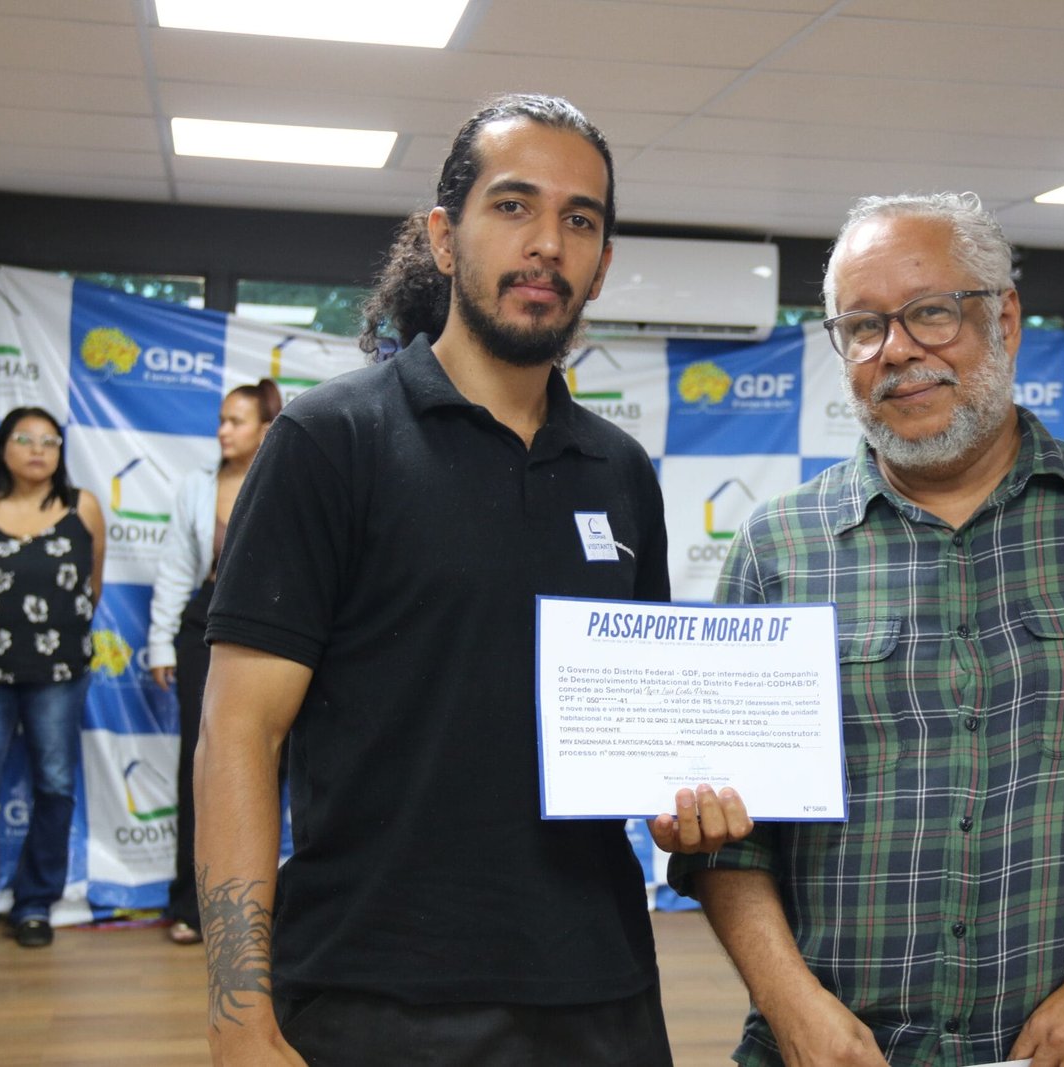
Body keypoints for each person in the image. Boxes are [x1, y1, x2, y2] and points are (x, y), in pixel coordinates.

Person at [192, 93, 750, 1067]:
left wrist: (684, 806)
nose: (548, 243)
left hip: (600, 992)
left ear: (602, 264)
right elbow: (238, 731)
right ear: (444, 239)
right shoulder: (329, 440)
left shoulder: (620, 470)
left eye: (581, 220)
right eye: (513, 206)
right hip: (372, 994)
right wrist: (238, 1019)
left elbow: (640, 738)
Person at [668, 192, 1064, 1067]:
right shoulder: (778, 547)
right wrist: (790, 1003)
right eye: (863, 326)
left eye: (931, 312)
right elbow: (734, 832)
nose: (897, 348)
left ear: (1005, 320)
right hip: (832, 1050)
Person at [0, 407, 104, 950]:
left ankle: (35, 904)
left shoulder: (82, 507)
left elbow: (92, 587)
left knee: (54, 787)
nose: (38, 449)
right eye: (25, 438)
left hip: (59, 672)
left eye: (50, 441)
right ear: (2, 448)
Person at [147, 379, 282, 945]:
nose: (223, 431)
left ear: (265, 428)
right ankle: (192, 904)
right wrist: (160, 642)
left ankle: (264, 908)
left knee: (275, 767)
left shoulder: (291, 477)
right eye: (221, 420)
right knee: (202, 767)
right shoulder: (197, 486)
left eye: (236, 421)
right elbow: (176, 568)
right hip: (204, 625)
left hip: (278, 627)